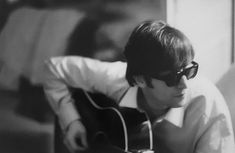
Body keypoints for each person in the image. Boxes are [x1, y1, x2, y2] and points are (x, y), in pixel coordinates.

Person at [42, 20, 235, 153]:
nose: (184, 84)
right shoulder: (115, 78)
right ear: (141, 80)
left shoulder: (208, 108)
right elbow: (53, 68)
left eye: (189, 71)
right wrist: (71, 121)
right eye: (171, 77)